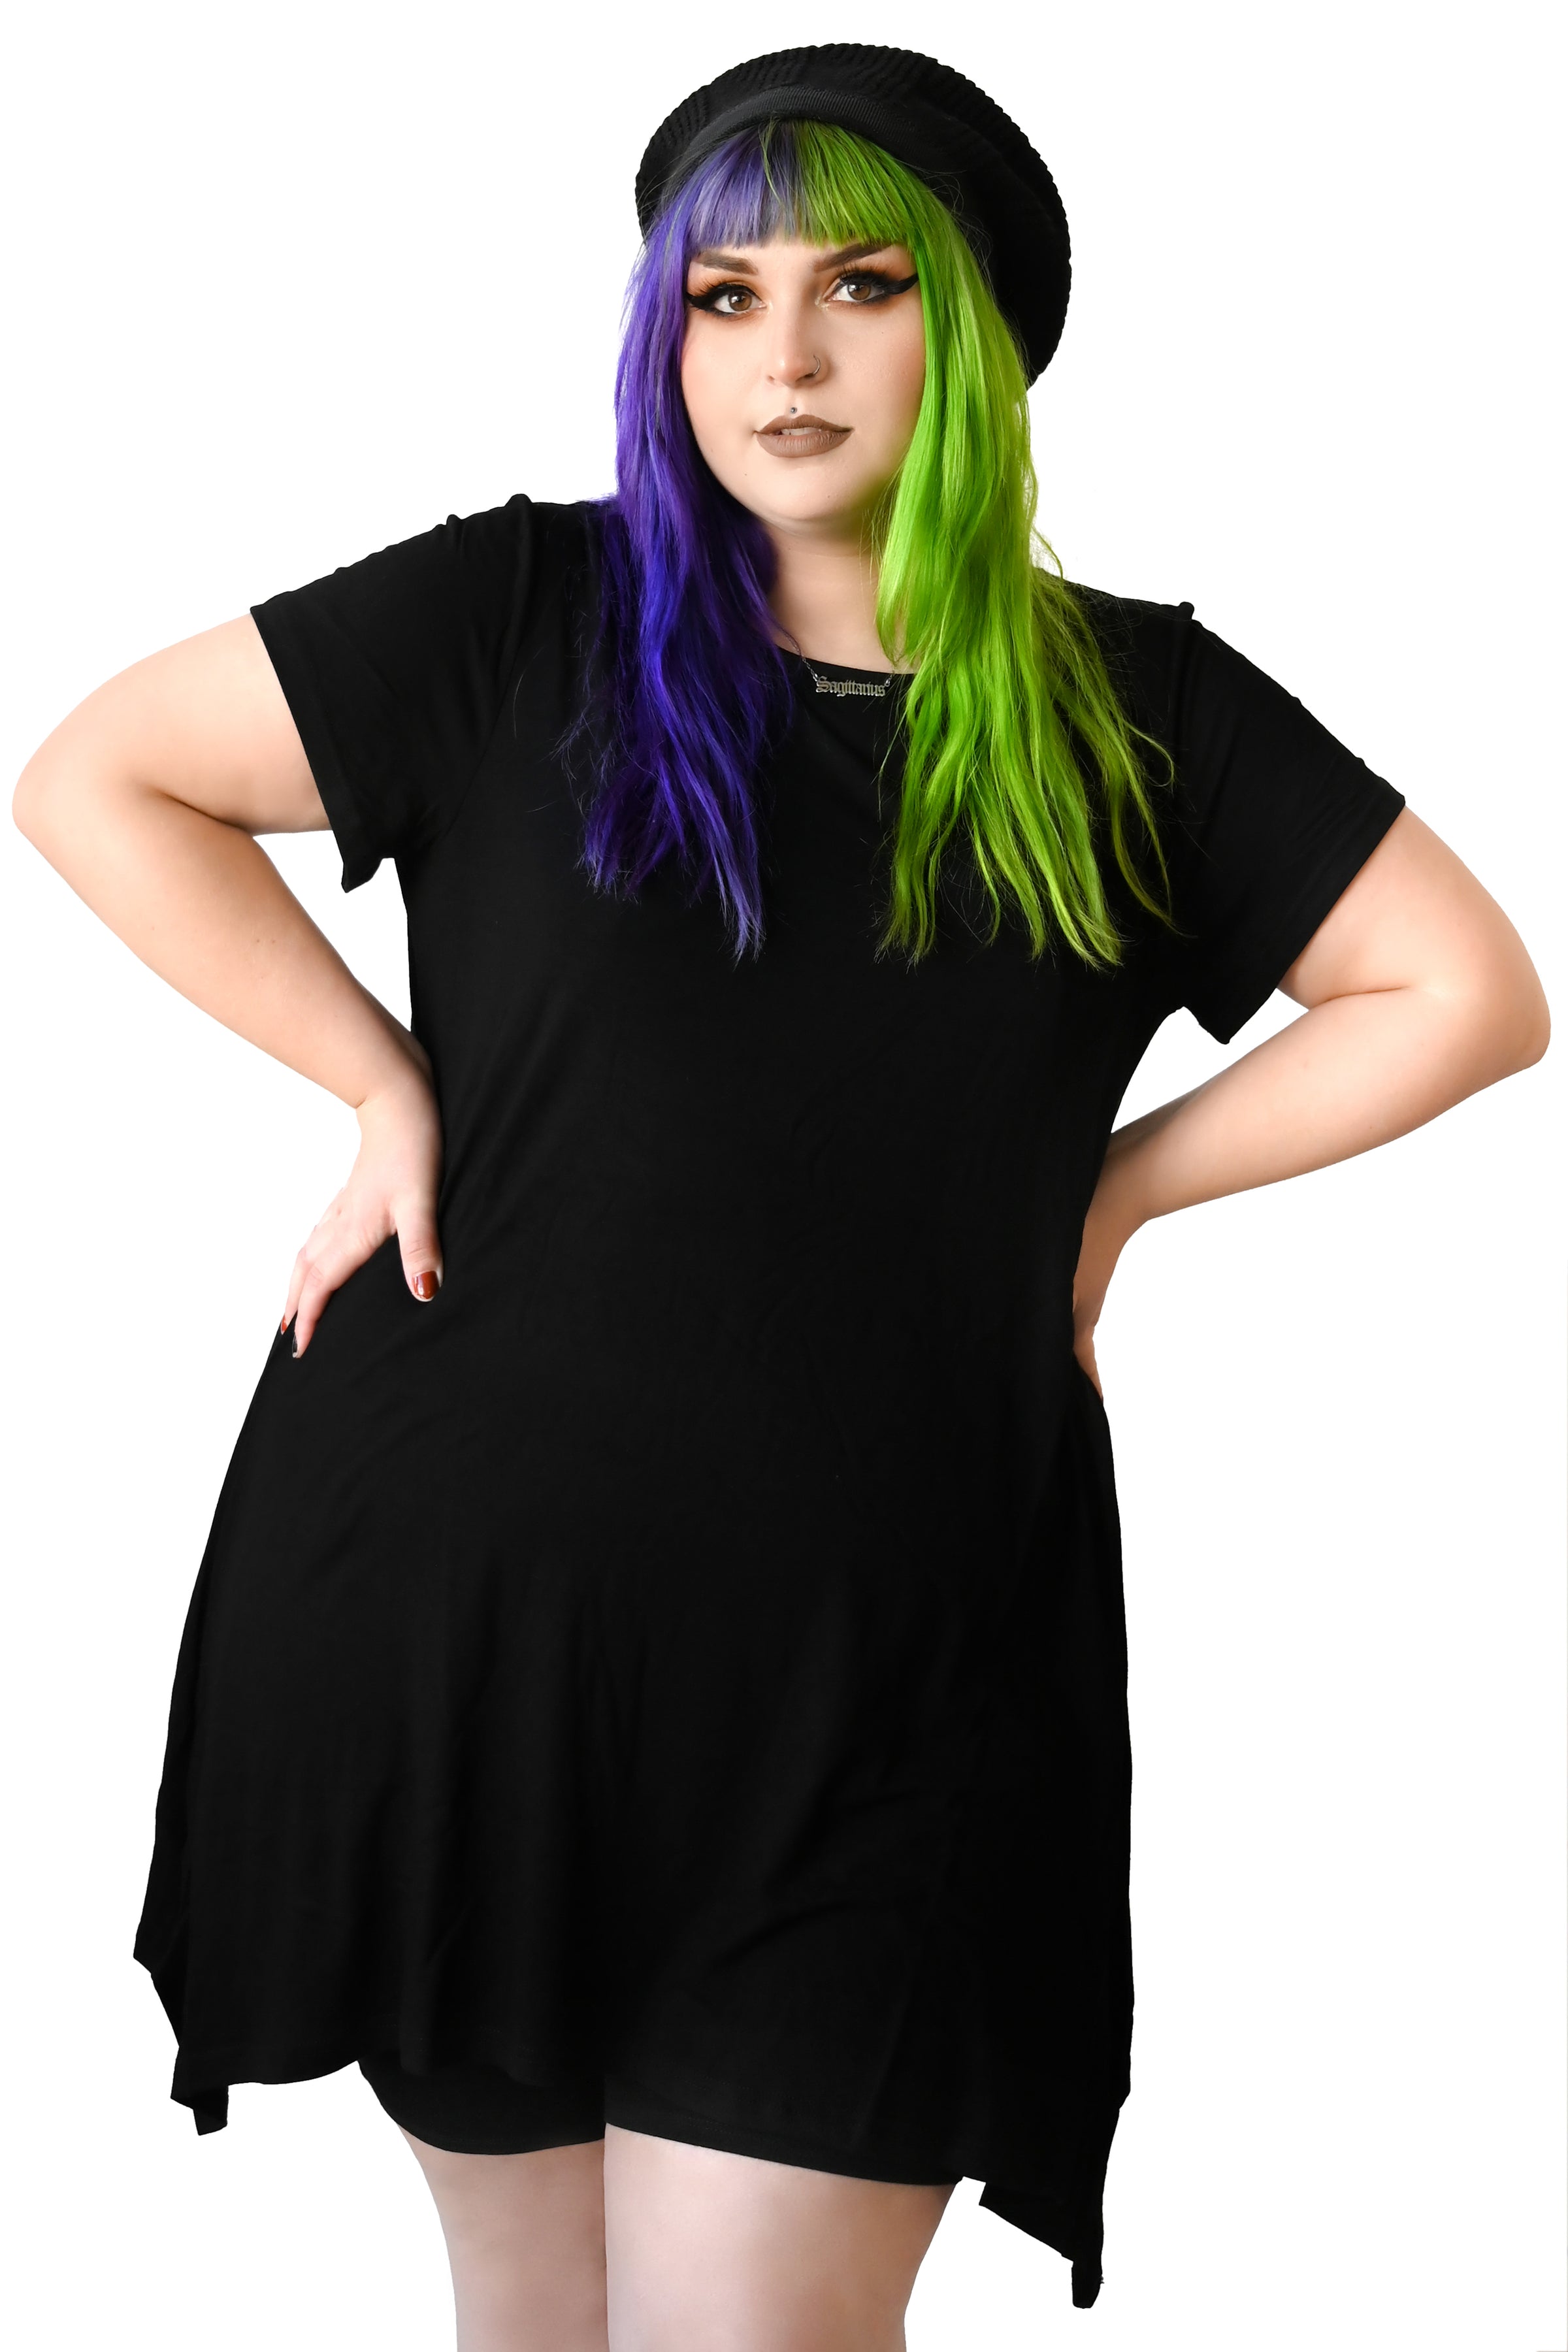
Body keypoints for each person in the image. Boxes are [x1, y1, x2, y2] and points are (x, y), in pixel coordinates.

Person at [11, 39, 1549, 2352]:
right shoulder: (520, 608)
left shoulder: (1138, 711)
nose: (787, 358)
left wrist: (1112, 1196)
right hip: (462, 1620)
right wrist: (380, 1080)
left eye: (860, 288)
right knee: (537, 2328)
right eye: (722, 298)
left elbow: (1466, 989)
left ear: (974, 333)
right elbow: (99, 774)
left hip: (901, 1666)